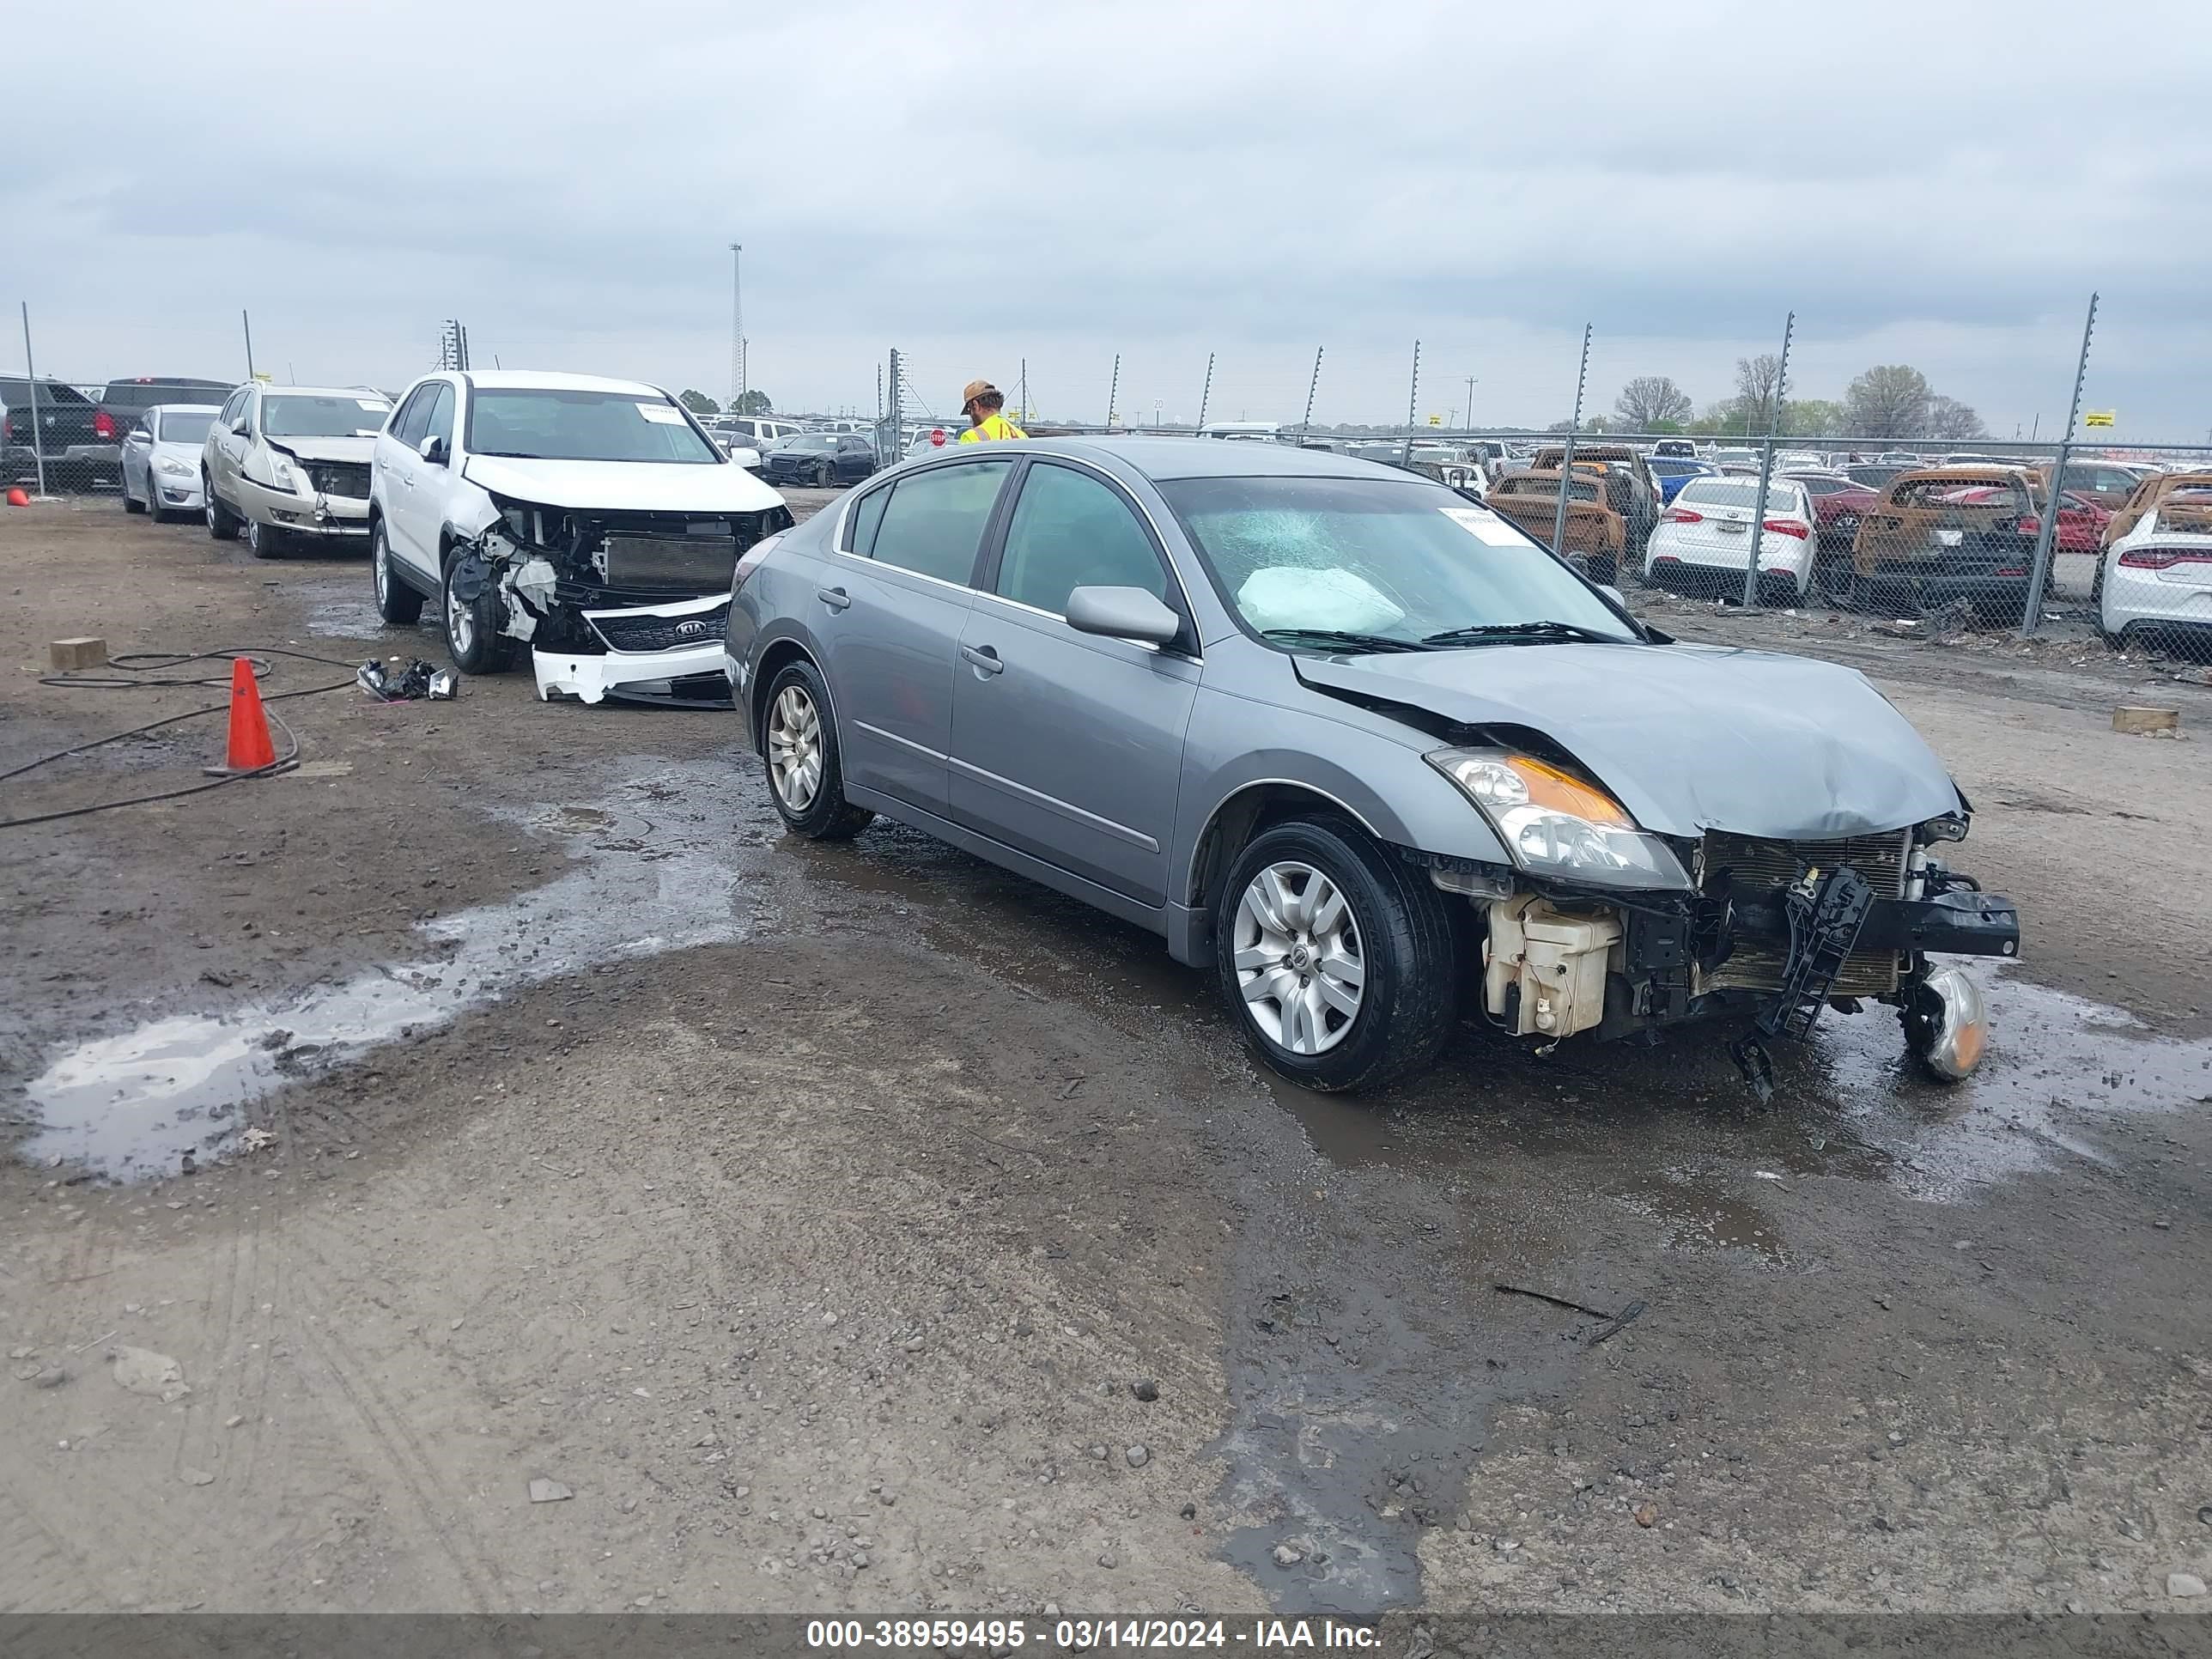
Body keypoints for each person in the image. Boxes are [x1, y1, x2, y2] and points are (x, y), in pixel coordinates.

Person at [957, 380, 1027, 443]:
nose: (970, 417)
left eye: (969, 410)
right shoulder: (1022, 436)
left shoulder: (972, 437)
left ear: (976, 405)